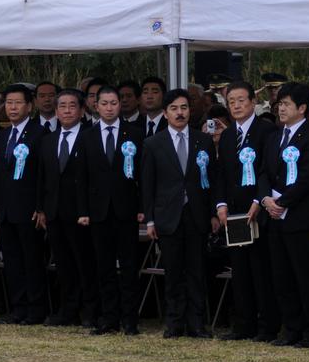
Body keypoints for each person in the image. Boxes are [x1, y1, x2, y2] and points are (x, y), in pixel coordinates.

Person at [142, 89, 217, 339]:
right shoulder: (154, 143)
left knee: (197, 271)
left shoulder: (203, 140)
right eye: (174, 108)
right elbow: (148, 184)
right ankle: (174, 322)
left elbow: (211, 181)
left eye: (184, 107)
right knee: (173, 272)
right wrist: (150, 218)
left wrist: (214, 212)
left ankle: (197, 322)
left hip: (196, 214)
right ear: (165, 113)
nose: (180, 112)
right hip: (168, 216)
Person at [259, 82, 309, 348]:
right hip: (275, 217)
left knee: (305, 278)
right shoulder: (275, 136)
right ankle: (292, 330)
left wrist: (283, 202)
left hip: (299, 217)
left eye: (286, 104)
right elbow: (264, 171)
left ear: (302, 108)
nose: (281, 109)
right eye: (279, 104)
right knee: (282, 278)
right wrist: (267, 199)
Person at [213, 82, 279, 342]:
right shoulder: (229, 135)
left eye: (242, 100)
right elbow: (222, 173)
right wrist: (220, 204)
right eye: (232, 102)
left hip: (259, 210)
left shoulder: (267, 130)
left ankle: (267, 325)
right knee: (239, 270)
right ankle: (244, 324)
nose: (237, 106)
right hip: (235, 214)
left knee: (261, 270)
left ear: (253, 102)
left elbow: (268, 169)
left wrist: (257, 200)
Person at [77, 85, 145, 336]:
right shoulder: (87, 136)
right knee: (103, 267)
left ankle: (130, 320)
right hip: (98, 212)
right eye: (104, 103)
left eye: (113, 103)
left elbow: (143, 176)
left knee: (128, 268)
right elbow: (81, 178)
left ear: (120, 105)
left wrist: (142, 208)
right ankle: (109, 318)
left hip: (126, 211)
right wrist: (83, 210)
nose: (108, 107)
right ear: (96, 105)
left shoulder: (135, 134)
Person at [36, 89, 99, 328]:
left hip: (82, 212)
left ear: (82, 110)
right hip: (54, 212)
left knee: (85, 263)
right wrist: (40, 207)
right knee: (63, 264)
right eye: (62, 106)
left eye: (72, 106)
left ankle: (91, 311)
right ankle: (68, 310)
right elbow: (42, 178)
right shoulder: (48, 140)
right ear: (56, 110)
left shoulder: (91, 136)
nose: (67, 110)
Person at [0, 84, 47, 325]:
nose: (12, 107)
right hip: (6, 209)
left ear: (29, 106)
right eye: (8, 103)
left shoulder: (39, 133)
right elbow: (0, 174)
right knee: (12, 261)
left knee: (32, 260)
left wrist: (40, 206)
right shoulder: (4, 134)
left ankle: (35, 309)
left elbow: (43, 175)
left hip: (29, 209)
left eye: (17, 103)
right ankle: (18, 308)